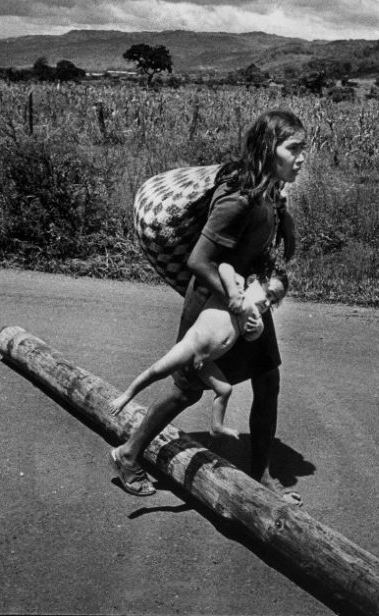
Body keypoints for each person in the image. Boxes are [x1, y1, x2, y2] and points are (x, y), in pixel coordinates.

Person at [109, 109, 306, 504]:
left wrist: (266, 288)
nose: (302, 158)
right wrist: (235, 300)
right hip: (214, 305)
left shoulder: (270, 195)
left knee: (268, 381)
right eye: (294, 149)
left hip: (246, 300)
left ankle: (261, 473)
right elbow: (199, 259)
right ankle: (128, 453)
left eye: (304, 150)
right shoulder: (237, 200)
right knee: (187, 390)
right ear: (270, 150)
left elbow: (266, 251)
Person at [107, 264, 289, 441]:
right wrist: (233, 294)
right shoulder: (239, 287)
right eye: (268, 294)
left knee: (225, 390)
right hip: (192, 347)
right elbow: (225, 268)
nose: (267, 302)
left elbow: (251, 337)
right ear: (253, 281)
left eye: (273, 302)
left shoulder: (256, 316)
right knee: (156, 371)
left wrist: (256, 329)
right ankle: (127, 395)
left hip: (207, 361)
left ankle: (216, 426)